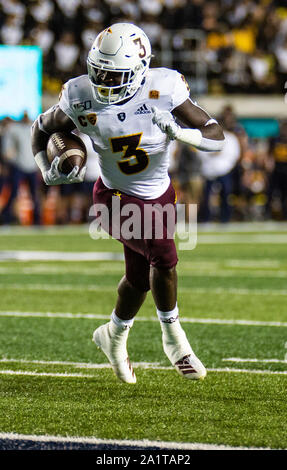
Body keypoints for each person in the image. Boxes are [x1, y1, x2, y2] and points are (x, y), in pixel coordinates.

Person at [31, 23, 224, 384]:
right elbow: (41, 130)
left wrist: (182, 133)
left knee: (139, 279)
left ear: (139, 69)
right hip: (114, 197)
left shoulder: (163, 87)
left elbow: (217, 137)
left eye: (113, 73)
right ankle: (174, 339)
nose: (103, 79)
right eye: (98, 69)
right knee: (164, 258)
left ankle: (114, 336)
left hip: (160, 193)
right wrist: (47, 169)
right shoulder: (79, 94)